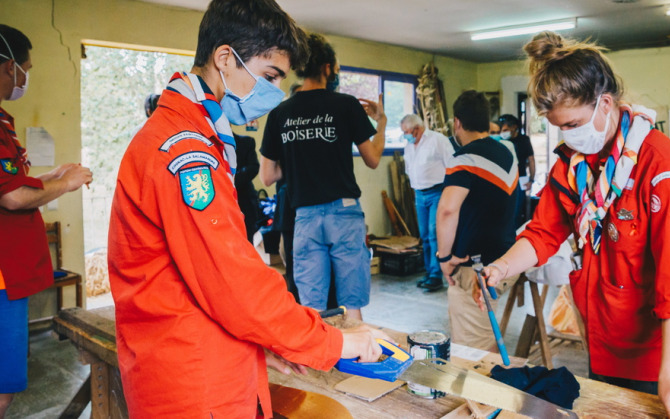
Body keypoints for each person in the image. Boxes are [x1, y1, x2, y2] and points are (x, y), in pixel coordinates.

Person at [107, 2, 385, 417]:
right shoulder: (186, 150)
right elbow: (230, 278)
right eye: (269, 76)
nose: (272, 91)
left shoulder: (199, 132)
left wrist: (262, 344)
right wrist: (336, 342)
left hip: (213, 354)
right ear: (224, 58)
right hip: (193, 379)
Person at [480, 32, 670, 419]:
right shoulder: (572, 163)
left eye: (573, 124)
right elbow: (544, 232)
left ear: (605, 103)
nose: (568, 136)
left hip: (657, 354)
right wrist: (502, 267)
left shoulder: (659, 164)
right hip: (602, 339)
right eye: (559, 128)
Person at [260, 33, 386, 321]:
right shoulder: (345, 105)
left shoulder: (280, 113)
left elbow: (268, 176)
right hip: (344, 213)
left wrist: (299, 155)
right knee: (350, 304)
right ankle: (355, 361)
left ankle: (318, 362)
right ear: (328, 68)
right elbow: (373, 158)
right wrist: (381, 123)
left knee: (313, 310)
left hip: (304, 217)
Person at [0, 25, 93, 418]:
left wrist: (52, 177)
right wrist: (66, 185)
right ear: (7, 67)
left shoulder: (4, 120)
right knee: (2, 389)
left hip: (12, 275)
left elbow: (13, 182)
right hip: (3, 278)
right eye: (25, 68)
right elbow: (13, 196)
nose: (25, 78)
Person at [436, 90, 517, 351]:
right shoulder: (508, 151)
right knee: (485, 337)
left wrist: (444, 258)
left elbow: (448, 210)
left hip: (476, 269)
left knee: (473, 354)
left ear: (457, 123)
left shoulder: (464, 159)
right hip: (509, 261)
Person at [401, 114, 454, 291]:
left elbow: (452, 164)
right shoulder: (409, 145)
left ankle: (436, 275)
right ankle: (428, 271)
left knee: (434, 233)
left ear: (416, 128)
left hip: (437, 191)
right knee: (424, 235)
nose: (405, 136)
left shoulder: (437, 140)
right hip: (419, 193)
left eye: (406, 132)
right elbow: (409, 168)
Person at [498, 114, 535, 225]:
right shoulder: (500, 140)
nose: (503, 132)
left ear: (514, 127)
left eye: (506, 129)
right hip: (503, 180)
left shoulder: (524, 140)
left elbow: (531, 160)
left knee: (517, 211)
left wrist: (531, 180)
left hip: (520, 179)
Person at [234, 131, 261, 240]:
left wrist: (231, 180)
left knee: (248, 237)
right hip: (221, 199)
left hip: (244, 199)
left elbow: (253, 167)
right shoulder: (208, 143)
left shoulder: (246, 142)